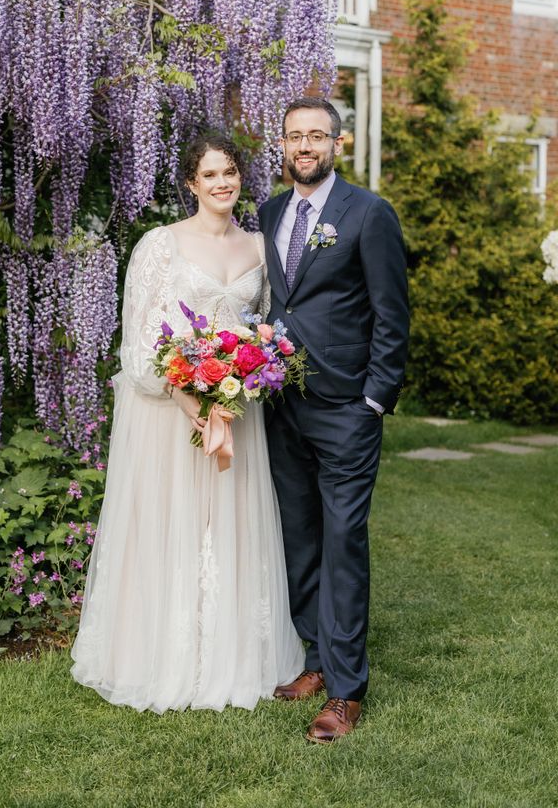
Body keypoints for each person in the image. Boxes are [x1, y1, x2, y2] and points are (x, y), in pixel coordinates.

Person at [71, 132, 303, 712]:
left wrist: (243, 379)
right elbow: (142, 343)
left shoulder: (257, 247)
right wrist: (195, 407)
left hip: (236, 412)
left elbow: (262, 327)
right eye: (211, 174)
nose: (223, 183)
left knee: (231, 525)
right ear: (190, 184)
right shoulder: (160, 245)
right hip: (170, 417)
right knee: (171, 528)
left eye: (230, 172)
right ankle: (160, 657)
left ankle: (230, 655)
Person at [258, 97, 409, 743]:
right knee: (301, 538)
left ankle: (346, 691)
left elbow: (391, 312)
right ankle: (315, 660)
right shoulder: (268, 212)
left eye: (317, 135)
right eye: (295, 136)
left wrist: (375, 398)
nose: (305, 146)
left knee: (344, 543)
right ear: (283, 145)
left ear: (337, 144)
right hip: (280, 403)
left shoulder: (368, 214)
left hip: (347, 407)